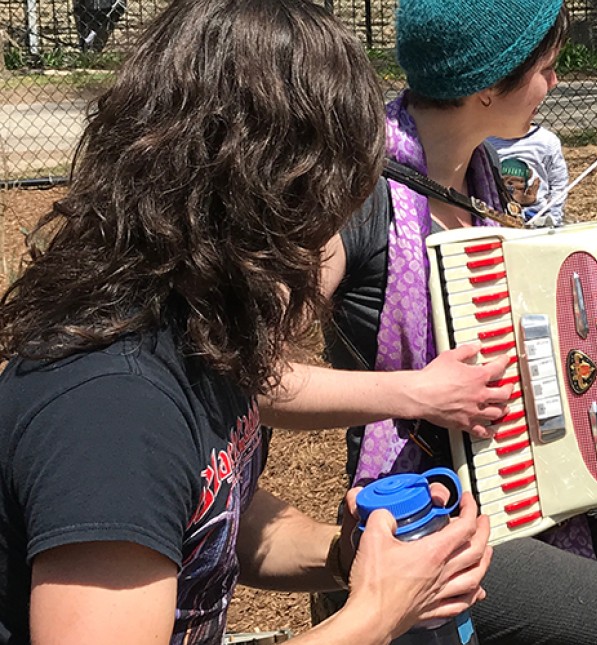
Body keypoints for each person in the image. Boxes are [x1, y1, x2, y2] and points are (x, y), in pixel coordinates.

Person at [260, 0, 597, 643]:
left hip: (542, 470)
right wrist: (418, 392)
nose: (555, 84)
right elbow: (257, 379)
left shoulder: (483, 177)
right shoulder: (353, 198)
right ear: (488, 86)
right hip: (434, 502)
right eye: (545, 69)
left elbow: (519, 340)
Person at [0, 1, 491, 644]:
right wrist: (374, 615)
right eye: (326, 214)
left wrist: (345, 556)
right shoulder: (113, 412)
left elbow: (212, 512)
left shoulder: (194, 323)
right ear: (267, 204)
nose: (327, 249)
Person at [487, 122, 569, 225]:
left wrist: (554, 216)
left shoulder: (547, 141)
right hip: (499, 218)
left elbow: (559, 183)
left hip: (538, 216)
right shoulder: (485, 142)